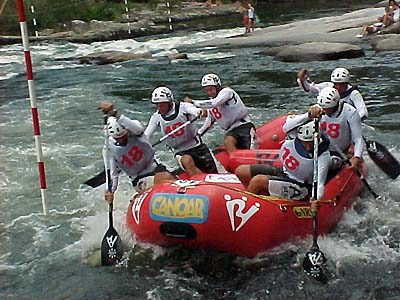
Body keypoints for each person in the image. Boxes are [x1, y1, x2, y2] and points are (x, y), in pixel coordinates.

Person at [235, 121, 331, 206]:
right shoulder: (293, 135)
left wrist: (317, 199)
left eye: (311, 143)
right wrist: (309, 115)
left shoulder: (323, 155)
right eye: (305, 142)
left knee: (257, 181)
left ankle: (247, 206)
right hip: (283, 172)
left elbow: (320, 184)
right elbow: (287, 126)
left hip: (301, 186)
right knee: (241, 171)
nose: (308, 147)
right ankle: (257, 198)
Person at [99, 103, 175, 204]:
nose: (122, 139)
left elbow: (137, 128)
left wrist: (115, 114)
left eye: (123, 136)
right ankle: (142, 195)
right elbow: (113, 175)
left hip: (156, 168)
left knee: (171, 180)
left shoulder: (135, 131)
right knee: (165, 178)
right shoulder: (109, 149)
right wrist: (111, 191)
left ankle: (143, 195)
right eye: (118, 138)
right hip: (139, 179)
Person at [144, 86, 218, 177]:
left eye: (162, 105)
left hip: (197, 147)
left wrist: (200, 112)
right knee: (187, 160)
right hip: (180, 151)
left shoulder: (183, 107)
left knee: (214, 173)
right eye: (157, 105)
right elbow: (146, 135)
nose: (159, 108)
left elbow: (195, 110)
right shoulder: (156, 117)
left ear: (169, 102)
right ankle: (198, 182)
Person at [286, 87, 364, 171]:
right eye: (323, 107)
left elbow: (358, 138)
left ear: (336, 105)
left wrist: (357, 157)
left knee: (321, 164)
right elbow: (286, 128)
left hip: (338, 153)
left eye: (328, 108)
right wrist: (308, 116)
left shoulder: (350, 112)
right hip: (318, 150)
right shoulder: (317, 109)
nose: (325, 110)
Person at [184, 73, 257, 154]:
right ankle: (237, 162)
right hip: (232, 131)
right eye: (207, 90)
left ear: (217, 86)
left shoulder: (227, 92)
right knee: (228, 141)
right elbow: (209, 121)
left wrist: (193, 102)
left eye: (211, 89)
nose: (209, 92)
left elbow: (214, 103)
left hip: (244, 127)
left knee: (251, 151)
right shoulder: (211, 102)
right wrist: (199, 134)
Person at [297, 67, 368, 121]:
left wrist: (352, 122)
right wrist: (302, 79)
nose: (338, 88)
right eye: (336, 84)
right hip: (328, 121)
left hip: (346, 122)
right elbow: (309, 88)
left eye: (342, 85)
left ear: (347, 83)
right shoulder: (327, 87)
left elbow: (363, 113)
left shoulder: (353, 93)